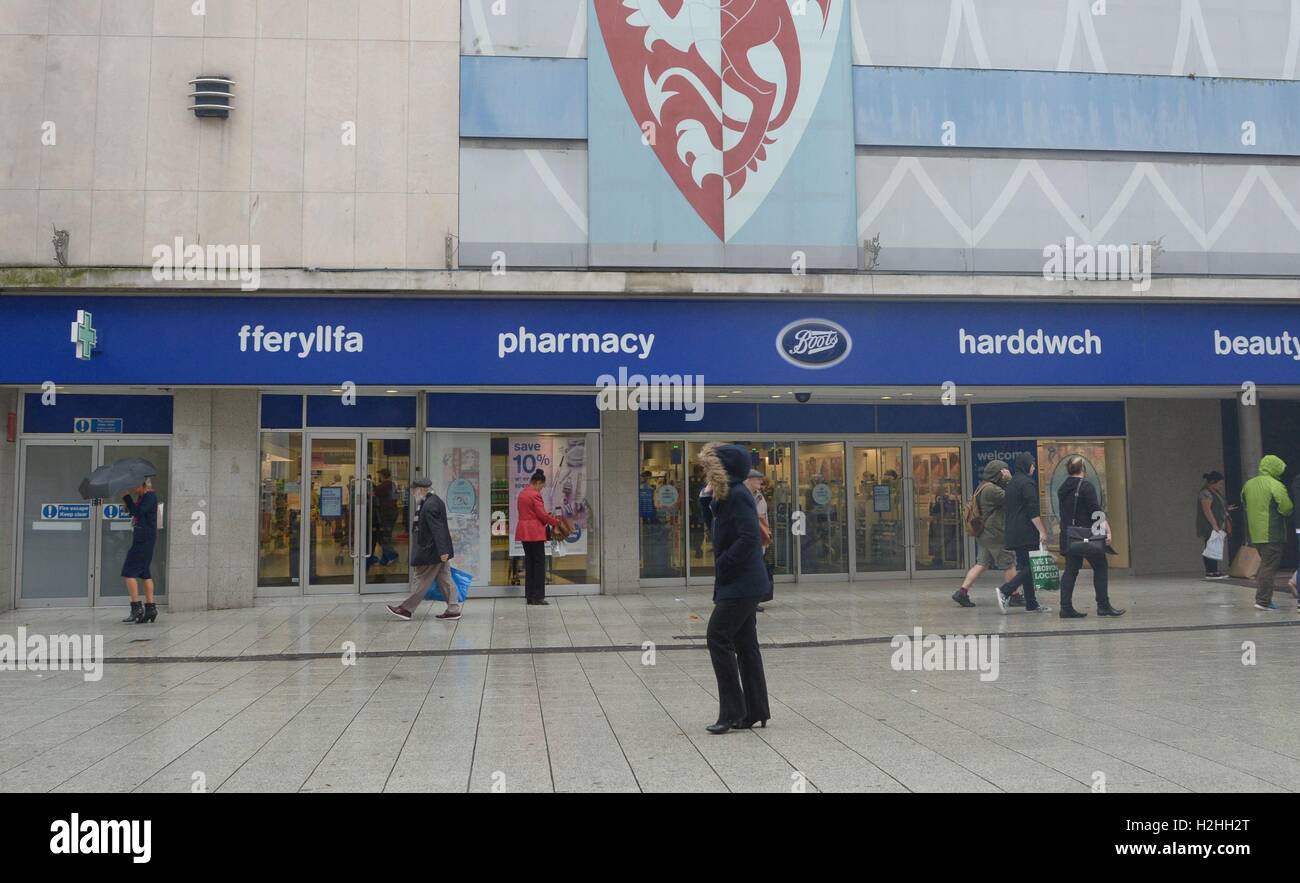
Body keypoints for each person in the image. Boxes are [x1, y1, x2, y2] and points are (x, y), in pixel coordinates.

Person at [699, 443, 770, 735]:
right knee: (745, 645)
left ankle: (731, 712)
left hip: (741, 582)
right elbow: (714, 527)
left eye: (708, 468)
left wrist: (723, 564)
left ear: (721, 469)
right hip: (743, 582)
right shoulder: (728, 494)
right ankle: (755, 710)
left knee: (717, 637)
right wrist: (706, 499)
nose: (704, 472)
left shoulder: (739, 495)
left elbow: (748, 537)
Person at [1056, 456, 1126, 618]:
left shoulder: (1062, 488)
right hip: (1087, 536)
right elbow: (1095, 512)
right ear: (1083, 469)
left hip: (1069, 535)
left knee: (1070, 571)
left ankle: (1065, 607)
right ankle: (1103, 605)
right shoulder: (1086, 486)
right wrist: (1107, 530)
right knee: (1101, 566)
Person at [387, 478, 459, 621]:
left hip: (431, 551)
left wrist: (443, 551)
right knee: (445, 579)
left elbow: (438, 529)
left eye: (414, 491)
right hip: (436, 550)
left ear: (421, 490)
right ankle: (453, 609)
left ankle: (406, 609)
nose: (413, 494)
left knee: (421, 580)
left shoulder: (430, 505)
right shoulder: (431, 501)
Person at [952, 460, 1022, 608]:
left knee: (982, 564)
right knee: (1009, 562)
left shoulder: (983, 486)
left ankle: (962, 592)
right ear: (998, 474)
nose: (1005, 474)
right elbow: (1013, 497)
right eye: (1003, 472)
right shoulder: (992, 489)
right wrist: (1010, 480)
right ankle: (1014, 595)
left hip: (985, 533)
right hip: (995, 533)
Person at [994, 452, 1051, 614]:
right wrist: (1042, 530)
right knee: (1032, 567)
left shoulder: (1012, 483)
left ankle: (1031, 603)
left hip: (1014, 531)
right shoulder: (1027, 483)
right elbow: (1032, 510)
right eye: (1032, 464)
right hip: (1026, 532)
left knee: (1027, 566)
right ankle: (1006, 590)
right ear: (1026, 465)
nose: (1034, 466)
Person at [1240, 454, 1294, 611]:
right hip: (1272, 532)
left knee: (1265, 565)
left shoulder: (1248, 485)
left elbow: (1244, 503)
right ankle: (1263, 601)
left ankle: (1263, 599)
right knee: (1268, 568)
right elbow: (1286, 507)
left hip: (1256, 534)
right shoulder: (1275, 485)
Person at [515, 469, 567, 606]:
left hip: (524, 532)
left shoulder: (522, 493)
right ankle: (538, 596)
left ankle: (530, 595)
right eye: (542, 486)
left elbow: (530, 513)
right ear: (537, 482)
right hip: (534, 533)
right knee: (539, 564)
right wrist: (556, 522)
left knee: (529, 563)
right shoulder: (535, 495)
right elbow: (541, 515)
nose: (541, 490)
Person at [121, 477, 160, 624]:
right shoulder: (144, 496)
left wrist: (126, 497)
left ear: (142, 484)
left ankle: (136, 608)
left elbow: (138, 511)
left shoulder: (150, 496)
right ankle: (150, 609)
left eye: (133, 486)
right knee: (144, 573)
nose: (132, 489)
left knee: (128, 572)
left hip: (144, 539)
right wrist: (127, 504)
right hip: (144, 537)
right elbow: (135, 512)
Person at [746, 469, 774, 609]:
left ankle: (754, 599)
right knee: (752, 571)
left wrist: (767, 534)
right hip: (751, 538)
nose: (760, 481)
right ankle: (751, 601)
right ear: (748, 480)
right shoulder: (745, 496)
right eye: (757, 479)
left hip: (760, 537)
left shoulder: (759, 495)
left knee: (757, 570)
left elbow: (763, 518)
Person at [1196, 471, 1231, 579]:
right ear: (1213, 482)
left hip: (1216, 524)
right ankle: (1211, 571)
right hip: (1209, 526)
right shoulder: (1206, 493)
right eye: (1219, 483)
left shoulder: (1214, 492)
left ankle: (1214, 570)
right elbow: (1207, 510)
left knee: (1214, 547)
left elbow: (1217, 506)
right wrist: (1214, 525)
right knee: (1210, 547)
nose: (1220, 485)